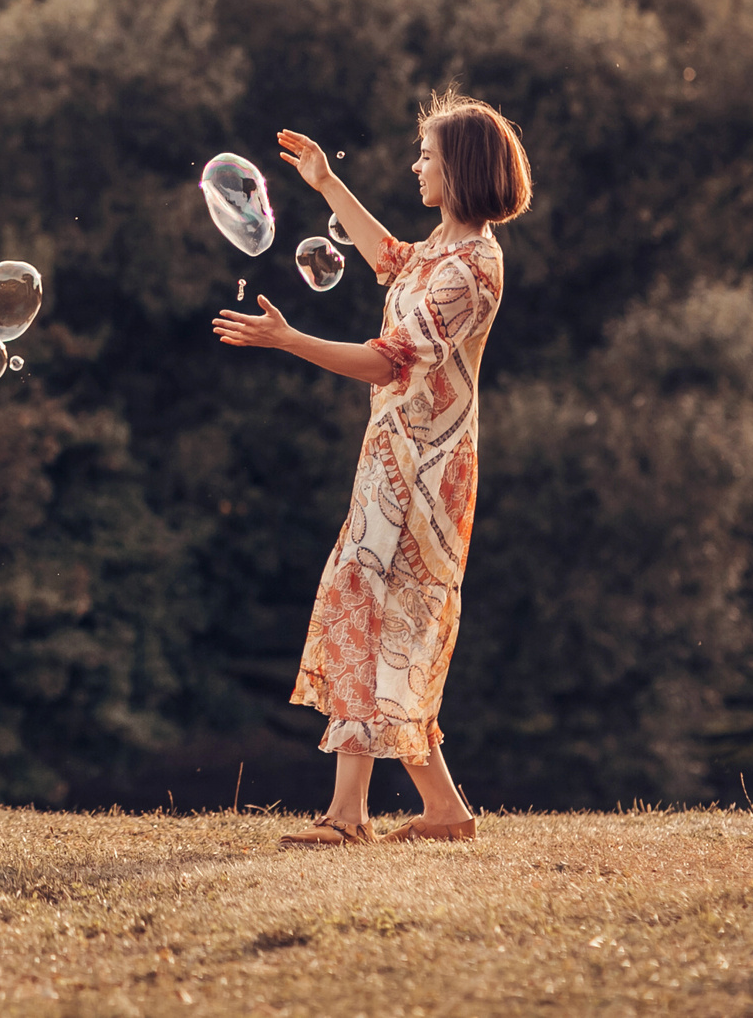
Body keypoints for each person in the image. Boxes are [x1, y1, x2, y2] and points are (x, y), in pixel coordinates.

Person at [212, 93, 533, 848]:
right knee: (378, 613)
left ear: (457, 168)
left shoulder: (475, 268)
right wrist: (325, 182)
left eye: (426, 154)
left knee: (379, 611)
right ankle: (438, 812)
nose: (415, 164)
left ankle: (349, 815)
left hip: (425, 473)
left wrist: (288, 340)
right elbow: (390, 257)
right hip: (393, 459)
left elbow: (387, 361)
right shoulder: (441, 253)